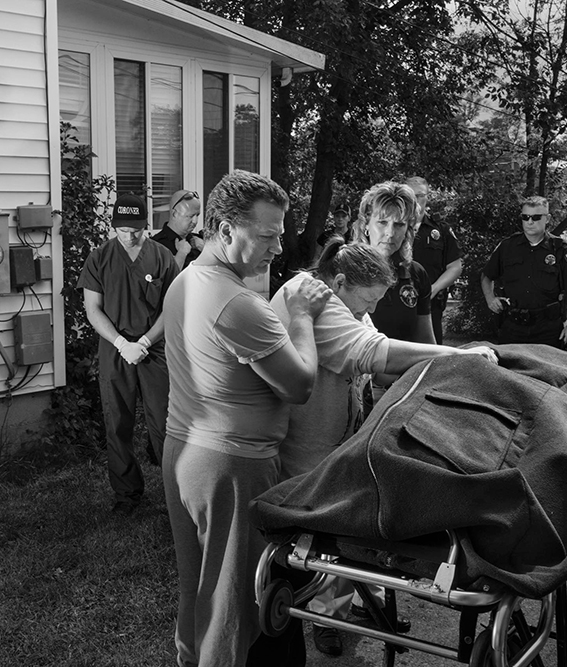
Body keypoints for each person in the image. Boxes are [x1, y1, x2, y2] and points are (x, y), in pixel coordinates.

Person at [271, 239, 497, 656]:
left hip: (334, 439)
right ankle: (320, 614)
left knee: (347, 527)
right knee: (320, 537)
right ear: (340, 282)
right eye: (368, 301)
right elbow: (375, 353)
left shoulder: (344, 301)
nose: (370, 310)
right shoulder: (313, 301)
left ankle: (349, 605)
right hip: (306, 447)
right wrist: (456, 357)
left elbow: (378, 357)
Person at [163, 169, 331, 666]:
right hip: (231, 466)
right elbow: (299, 385)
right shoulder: (236, 303)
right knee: (232, 602)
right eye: (267, 235)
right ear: (224, 229)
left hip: (184, 451)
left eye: (280, 234)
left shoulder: (186, 281)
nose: (278, 247)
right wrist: (301, 316)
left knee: (198, 586)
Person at [78, 192, 179, 515]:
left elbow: (172, 308)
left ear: (145, 225)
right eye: (123, 230)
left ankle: (177, 494)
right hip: (115, 349)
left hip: (155, 349)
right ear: (114, 226)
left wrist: (145, 342)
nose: (129, 236)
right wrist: (122, 344)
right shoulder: (99, 259)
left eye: (135, 230)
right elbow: (92, 309)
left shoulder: (163, 257)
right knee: (117, 421)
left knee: (164, 422)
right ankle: (127, 495)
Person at [481, 195, 567, 348]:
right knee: (509, 363)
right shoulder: (507, 247)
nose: (529, 222)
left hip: (548, 327)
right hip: (513, 326)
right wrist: (490, 299)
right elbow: (486, 276)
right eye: (525, 217)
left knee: (548, 364)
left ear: (547, 219)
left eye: (536, 217)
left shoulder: (560, 248)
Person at [350, 181, 435, 346]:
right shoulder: (345, 270)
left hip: (409, 362)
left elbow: (427, 343)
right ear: (366, 224)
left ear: (408, 229)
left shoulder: (416, 274)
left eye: (399, 224)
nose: (390, 233)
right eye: (382, 222)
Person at [408, 176, 461, 344]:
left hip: (431, 305)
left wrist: (434, 288)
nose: (415, 200)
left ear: (427, 197)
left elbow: (455, 266)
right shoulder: (391, 227)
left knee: (432, 351)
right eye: (410, 195)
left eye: (420, 196)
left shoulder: (440, 229)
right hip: (397, 302)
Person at [153, 189, 204, 269]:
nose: (195, 221)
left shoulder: (200, 241)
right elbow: (165, 277)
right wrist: (181, 254)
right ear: (174, 213)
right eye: (190, 216)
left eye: (197, 215)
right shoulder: (156, 246)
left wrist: (205, 250)